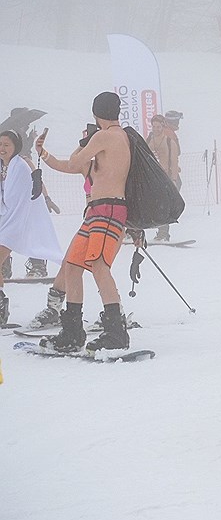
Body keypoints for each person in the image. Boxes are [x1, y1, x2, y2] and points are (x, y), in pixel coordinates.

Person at [34, 92, 132, 354]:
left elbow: (76, 161)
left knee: (99, 265)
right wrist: (42, 154)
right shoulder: (117, 139)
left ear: (96, 113)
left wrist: (86, 142)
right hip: (97, 211)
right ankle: (73, 331)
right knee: (73, 266)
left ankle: (115, 332)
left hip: (108, 209)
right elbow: (70, 167)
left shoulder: (106, 136)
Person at [0, 131, 63, 324]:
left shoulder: (22, 163)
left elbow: (37, 181)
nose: (2, 149)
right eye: (0, 144)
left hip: (18, 219)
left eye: (7, 145)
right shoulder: (2, 166)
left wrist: (47, 198)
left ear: (15, 147)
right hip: (5, 218)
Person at [146, 114, 181, 241]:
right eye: (154, 126)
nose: (156, 129)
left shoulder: (169, 141)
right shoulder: (149, 139)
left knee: (163, 206)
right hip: (151, 178)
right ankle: (134, 231)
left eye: (158, 126)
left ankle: (163, 233)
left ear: (163, 126)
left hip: (165, 178)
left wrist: (174, 179)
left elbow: (174, 161)